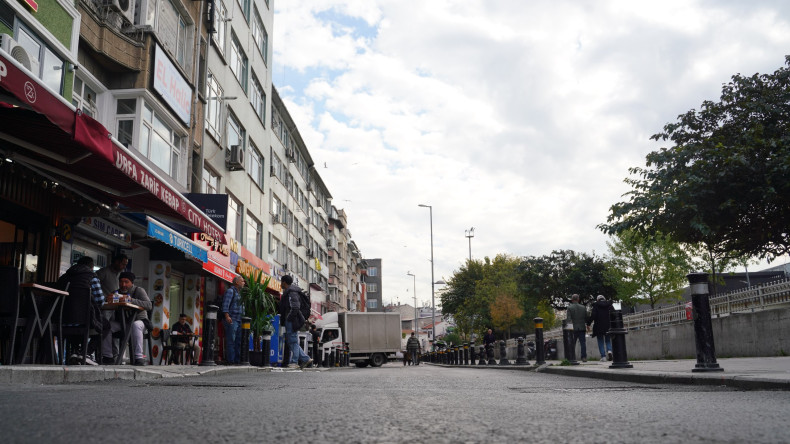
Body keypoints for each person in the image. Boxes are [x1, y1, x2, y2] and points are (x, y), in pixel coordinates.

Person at [57, 256, 106, 365]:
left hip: (62, 320)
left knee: (76, 324)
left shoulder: (64, 277)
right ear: (91, 267)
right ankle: (86, 353)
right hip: (85, 320)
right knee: (106, 326)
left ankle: (75, 352)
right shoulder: (91, 277)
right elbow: (100, 301)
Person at [101, 271, 152, 366]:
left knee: (135, 325)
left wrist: (130, 300)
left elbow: (149, 305)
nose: (123, 284)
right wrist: (108, 299)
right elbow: (107, 303)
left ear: (132, 283)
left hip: (140, 321)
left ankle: (138, 357)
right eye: (121, 282)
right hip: (122, 323)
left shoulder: (138, 290)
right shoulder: (116, 292)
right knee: (107, 325)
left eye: (126, 282)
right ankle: (107, 356)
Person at [280, 275, 312, 369]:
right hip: (292, 320)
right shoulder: (291, 291)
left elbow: (295, 307)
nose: (281, 284)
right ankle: (305, 359)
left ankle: (294, 362)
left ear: (284, 282)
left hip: (292, 320)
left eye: (281, 282)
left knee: (293, 341)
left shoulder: (291, 292)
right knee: (292, 341)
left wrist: (289, 318)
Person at [222, 275, 245, 365]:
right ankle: (231, 361)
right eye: (242, 281)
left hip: (239, 320)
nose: (244, 283)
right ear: (237, 282)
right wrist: (227, 316)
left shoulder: (240, 293)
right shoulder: (230, 291)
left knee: (238, 341)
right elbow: (225, 305)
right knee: (231, 340)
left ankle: (237, 360)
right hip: (232, 320)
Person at [587, 295, 614, 361]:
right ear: (604, 299)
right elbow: (613, 314)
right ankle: (609, 351)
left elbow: (593, 315)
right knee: (608, 340)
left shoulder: (596, 305)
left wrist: (588, 323)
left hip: (598, 326)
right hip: (608, 325)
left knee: (600, 341)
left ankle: (603, 357)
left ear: (597, 299)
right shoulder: (609, 305)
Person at [567, 293, 589, 362]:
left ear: (572, 300)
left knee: (572, 343)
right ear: (578, 299)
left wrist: (568, 329)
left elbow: (569, 319)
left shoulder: (569, 308)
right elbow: (586, 317)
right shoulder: (583, 307)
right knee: (583, 343)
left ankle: (572, 357)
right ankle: (584, 357)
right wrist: (588, 325)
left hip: (573, 328)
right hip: (582, 327)